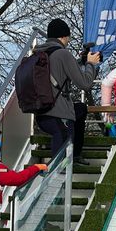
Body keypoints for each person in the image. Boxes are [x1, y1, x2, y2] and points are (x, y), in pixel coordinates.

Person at [34, 18, 100, 164]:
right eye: (68, 38)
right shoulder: (63, 54)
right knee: (59, 162)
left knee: (80, 109)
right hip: (59, 114)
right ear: (64, 36)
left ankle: (75, 156)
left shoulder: (40, 53)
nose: (68, 41)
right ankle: (62, 167)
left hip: (41, 113)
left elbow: (59, 72)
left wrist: (80, 61)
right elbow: (85, 84)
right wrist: (90, 64)